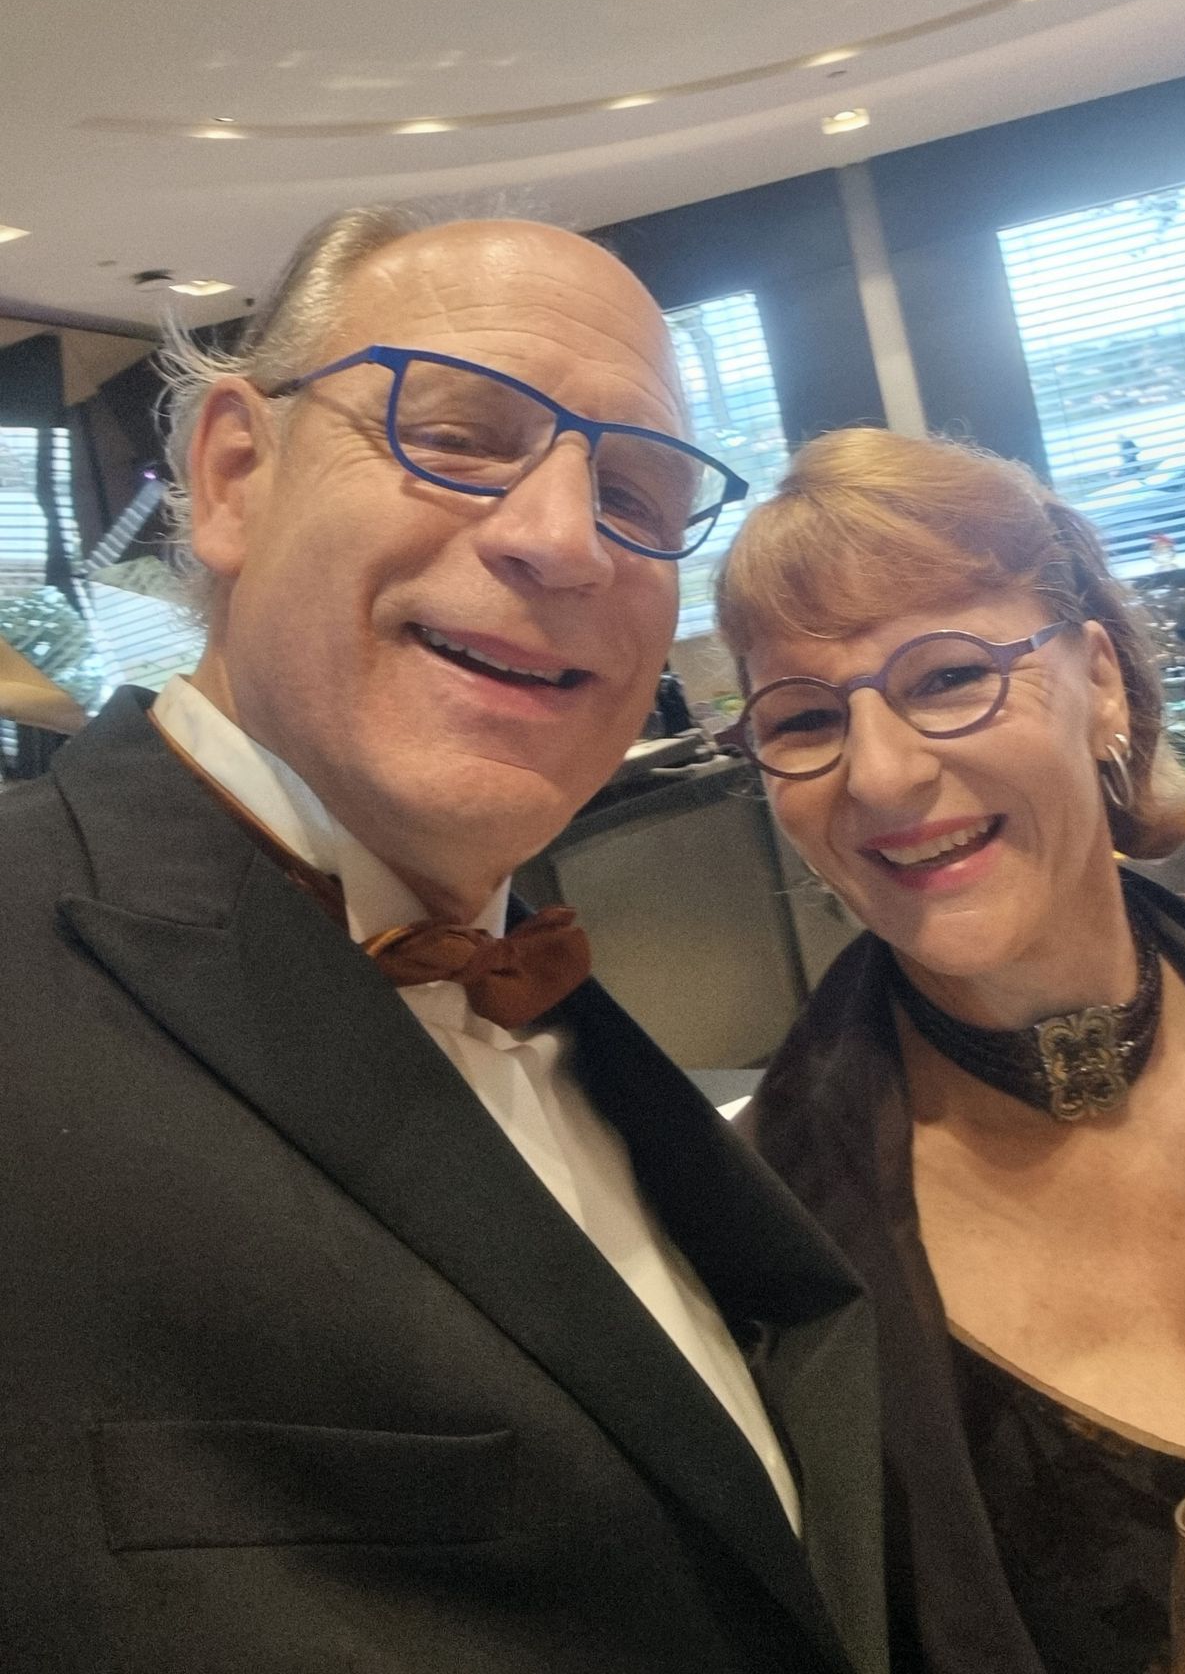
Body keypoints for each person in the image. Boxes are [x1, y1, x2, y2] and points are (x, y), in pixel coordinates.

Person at [0, 208, 892, 1674]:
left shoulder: (572, 1027)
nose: (562, 540)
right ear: (231, 478)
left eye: (637, 492)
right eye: (459, 435)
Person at [715, 425, 1185, 1674]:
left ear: (1100, 682)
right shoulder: (765, 1243)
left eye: (949, 676)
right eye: (804, 719)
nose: (881, 774)